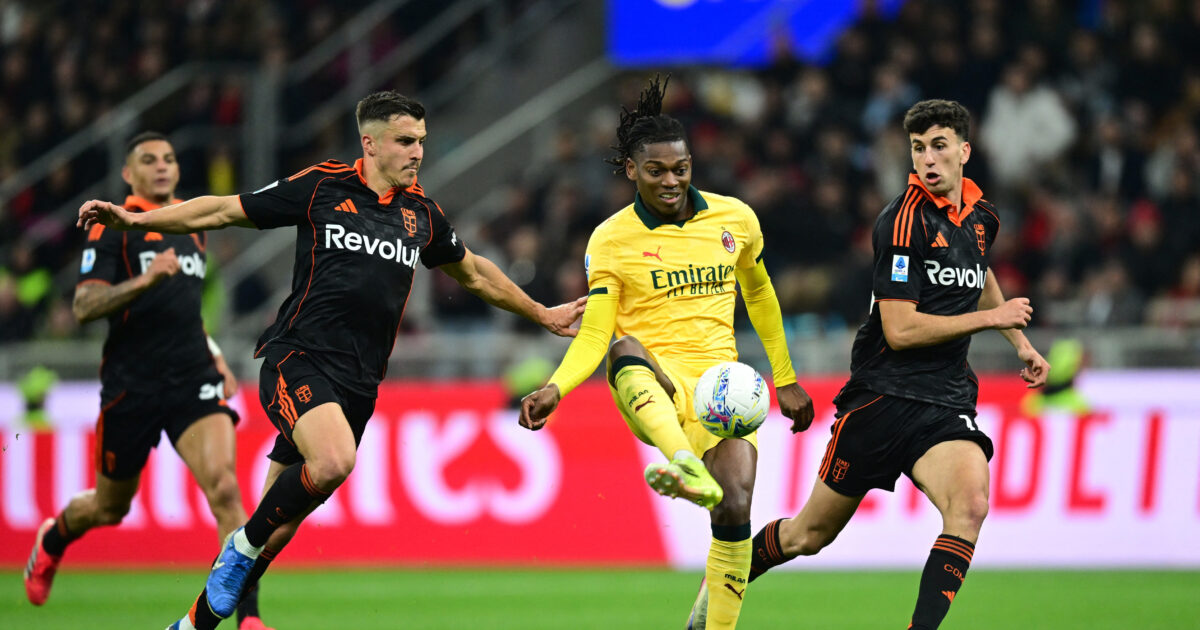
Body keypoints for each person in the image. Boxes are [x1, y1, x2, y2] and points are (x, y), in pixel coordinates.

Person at [77, 92, 586, 630]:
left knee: (280, 528)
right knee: (333, 462)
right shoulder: (323, 186)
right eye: (405, 141)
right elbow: (224, 209)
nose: (417, 152)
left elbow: (476, 273)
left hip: (359, 385)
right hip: (298, 358)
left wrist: (542, 312)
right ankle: (240, 546)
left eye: (421, 141)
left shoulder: (422, 215)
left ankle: (191, 625)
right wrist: (136, 221)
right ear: (371, 143)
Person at [738, 100, 1051, 629]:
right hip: (882, 397)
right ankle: (726, 572)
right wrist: (992, 318)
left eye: (938, 146)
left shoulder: (983, 218)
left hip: (945, 398)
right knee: (807, 536)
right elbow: (900, 331)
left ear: (964, 151)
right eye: (917, 148)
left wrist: (1019, 343)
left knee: (970, 505)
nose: (927, 158)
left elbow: (979, 273)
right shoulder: (902, 221)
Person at [518, 76, 814, 630]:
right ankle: (682, 463)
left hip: (721, 388)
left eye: (680, 168)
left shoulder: (734, 219)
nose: (671, 180)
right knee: (624, 346)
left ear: (691, 163)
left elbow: (760, 294)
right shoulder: (611, 239)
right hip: (653, 382)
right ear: (632, 171)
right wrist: (557, 387)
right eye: (656, 170)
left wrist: (786, 377)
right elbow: (595, 333)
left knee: (734, 506)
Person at [28, 132, 275, 630]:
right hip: (132, 385)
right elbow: (84, 306)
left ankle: (248, 617)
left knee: (226, 489)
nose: (161, 166)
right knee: (109, 507)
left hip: (192, 377)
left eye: (168, 159)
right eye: (148, 160)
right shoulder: (113, 226)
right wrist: (146, 279)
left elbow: (185, 310)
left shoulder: (191, 225)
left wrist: (214, 355)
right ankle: (54, 537)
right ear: (128, 173)